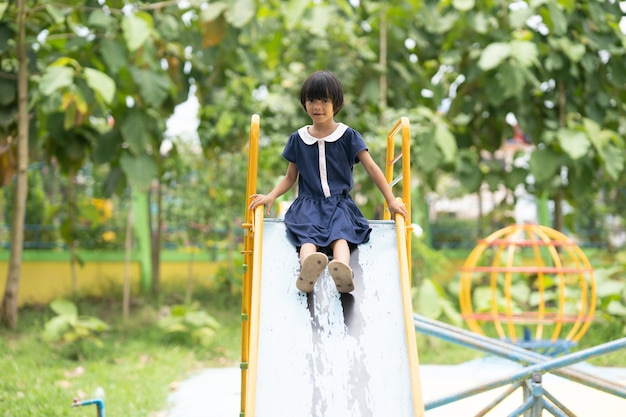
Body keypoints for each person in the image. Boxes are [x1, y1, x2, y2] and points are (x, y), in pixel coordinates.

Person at [248, 70, 407, 294]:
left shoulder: (348, 136)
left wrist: (390, 200)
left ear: (336, 103)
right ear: (305, 103)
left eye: (324, 100)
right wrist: (271, 196)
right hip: (308, 204)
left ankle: (342, 270)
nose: (317, 107)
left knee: (340, 233)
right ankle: (308, 270)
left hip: (339, 204)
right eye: (312, 100)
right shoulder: (298, 139)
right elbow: (290, 177)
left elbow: (372, 168)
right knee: (307, 236)